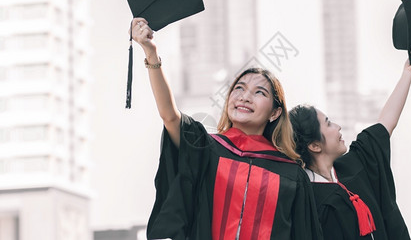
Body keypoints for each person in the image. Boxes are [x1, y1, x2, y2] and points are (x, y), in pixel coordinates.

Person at [129, 17, 322, 240]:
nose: (245, 97)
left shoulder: (291, 175)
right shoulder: (205, 149)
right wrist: (151, 53)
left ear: (275, 112)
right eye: (239, 88)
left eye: (260, 92)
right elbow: (170, 116)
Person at [289, 47, 411, 239]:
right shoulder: (307, 202)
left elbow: (385, 124)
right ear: (314, 145)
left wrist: (408, 73)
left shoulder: (355, 165)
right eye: (328, 124)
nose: (338, 127)